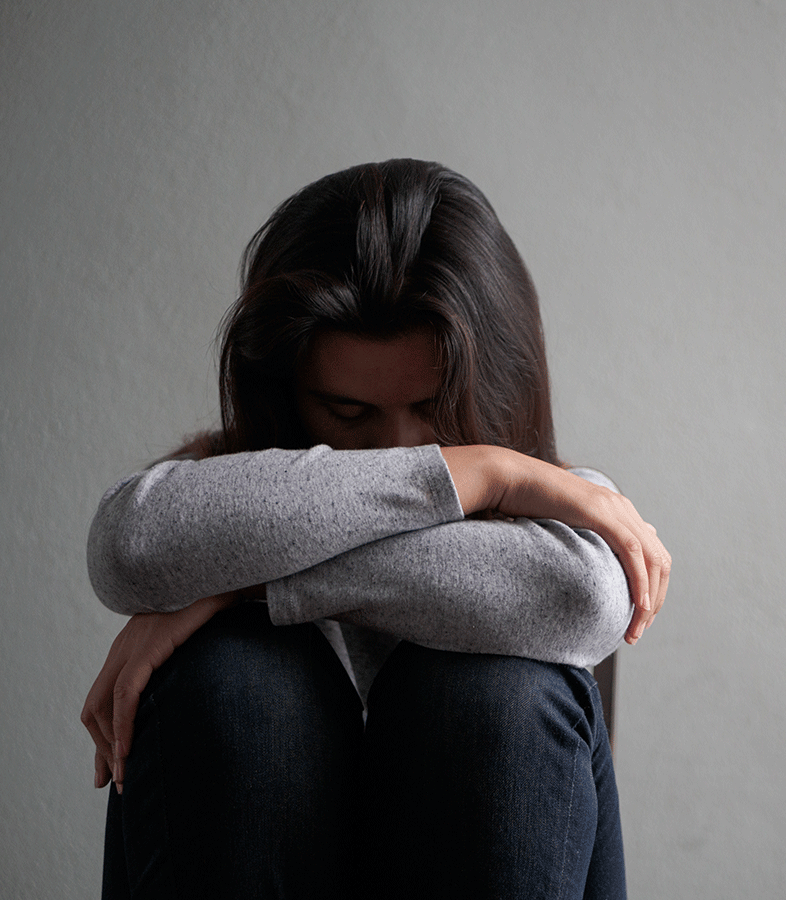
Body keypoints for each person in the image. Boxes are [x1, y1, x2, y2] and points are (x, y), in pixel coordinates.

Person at [80, 159, 671, 899]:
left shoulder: (562, 504)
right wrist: (474, 472)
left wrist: (244, 583)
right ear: (287, 395)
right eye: (348, 415)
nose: (402, 454)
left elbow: (581, 599)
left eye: (435, 413)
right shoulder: (237, 480)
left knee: (498, 701)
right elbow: (128, 548)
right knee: (237, 690)